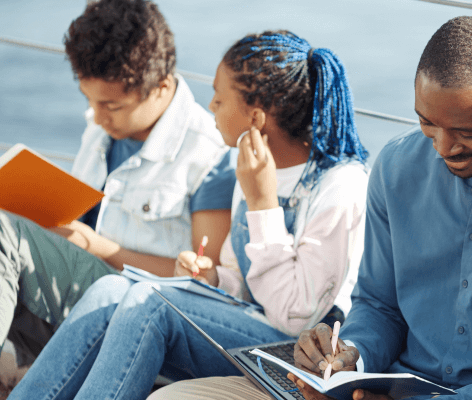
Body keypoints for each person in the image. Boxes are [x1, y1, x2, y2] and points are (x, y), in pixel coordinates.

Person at [157, 16, 472, 400]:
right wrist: (350, 359)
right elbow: (379, 306)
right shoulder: (398, 166)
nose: (443, 147)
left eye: (465, 131)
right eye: (427, 122)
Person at [8, 29, 369, 400]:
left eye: (218, 98)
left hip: (293, 353)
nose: (210, 106)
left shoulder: (339, 187)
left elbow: (297, 317)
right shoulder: (254, 167)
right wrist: (211, 277)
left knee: (149, 304)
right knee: (110, 289)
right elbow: (242, 283)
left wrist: (263, 205)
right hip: (246, 329)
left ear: (256, 118)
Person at [0, 0, 234, 388]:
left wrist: (96, 246)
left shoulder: (209, 156)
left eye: (110, 105)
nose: (97, 114)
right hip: (75, 290)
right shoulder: (104, 125)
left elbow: (205, 286)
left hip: (133, 307)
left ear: (161, 88)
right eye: (89, 100)